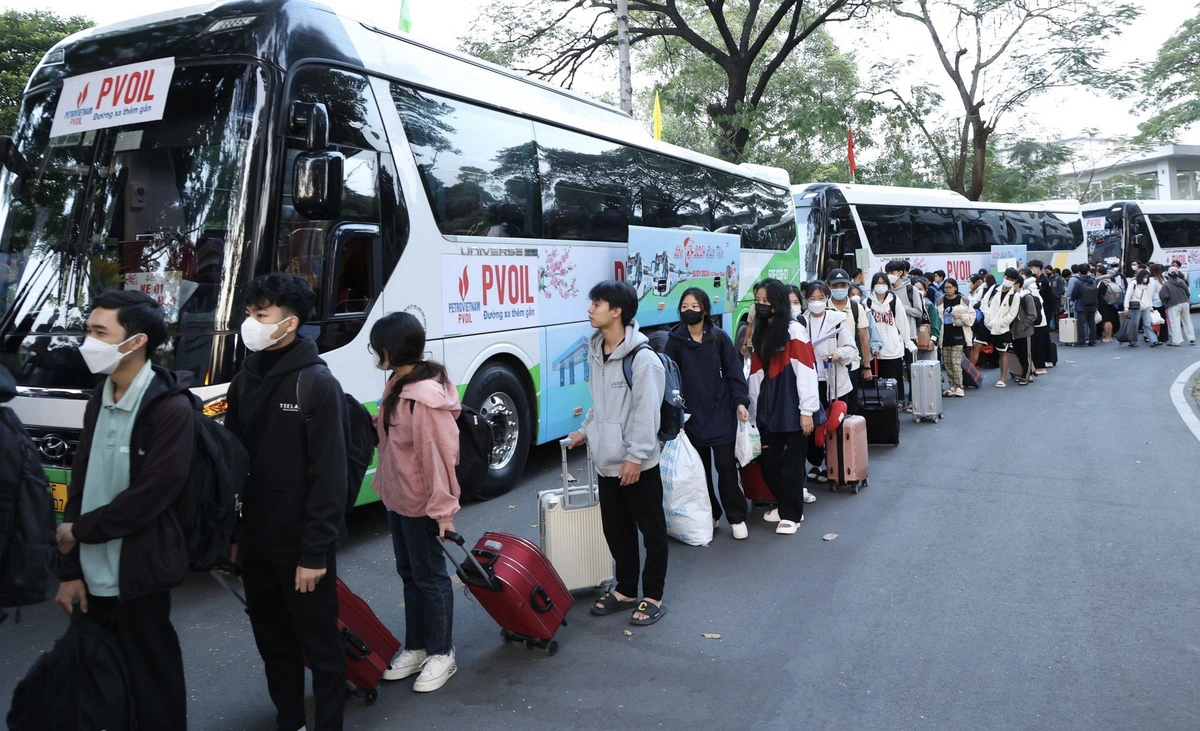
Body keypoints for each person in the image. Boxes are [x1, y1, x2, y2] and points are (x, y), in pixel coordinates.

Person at [53, 290, 191, 729]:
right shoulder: (101, 395)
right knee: (97, 682)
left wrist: (79, 532)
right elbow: (81, 480)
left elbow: (152, 494)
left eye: (99, 332)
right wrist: (69, 569)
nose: (87, 342)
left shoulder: (171, 408)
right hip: (90, 570)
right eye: (88, 330)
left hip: (140, 570)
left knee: (152, 681)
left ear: (135, 342)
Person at [224, 273, 349, 731]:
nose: (250, 323)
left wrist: (315, 552)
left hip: (302, 550)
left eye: (261, 315)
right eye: (249, 313)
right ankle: (289, 720)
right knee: (274, 646)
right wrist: (233, 538)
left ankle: (329, 723)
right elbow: (234, 467)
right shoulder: (243, 381)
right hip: (257, 546)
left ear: (290, 323)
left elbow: (328, 477)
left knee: (320, 647)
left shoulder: (317, 385)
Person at [368, 312, 462, 691]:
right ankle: (418, 646)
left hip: (423, 505)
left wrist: (444, 515)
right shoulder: (399, 384)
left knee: (432, 578)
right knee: (410, 575)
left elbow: (438, 458)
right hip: (397, 499)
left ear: (389, 352)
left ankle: (442, 653)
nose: (375, 354)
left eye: (377, 348)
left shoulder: (423, 398)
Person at [567, 281, 668, 626]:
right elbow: (602, 403)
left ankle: (652, 595)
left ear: (617, 311)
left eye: (597, 302)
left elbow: (646, 411)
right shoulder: (597, 350)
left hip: (637, 463)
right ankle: (626, 590)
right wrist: (583, 431)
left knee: (651, 531)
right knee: (617, 529)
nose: (590, 309)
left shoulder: (643, 359)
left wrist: (636, 457)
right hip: (607, 460)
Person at [664, 288, 751, 539]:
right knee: (698, 471)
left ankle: (736, 516)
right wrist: (674, 415)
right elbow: (669, 381)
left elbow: (734, 373)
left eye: (693, 306)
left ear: (704, 310)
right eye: (684, 306)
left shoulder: (719, 338)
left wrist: (740, 402)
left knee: (726, 467)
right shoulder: (675, 341)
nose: (688, 310)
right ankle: (711, 514)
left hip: (720, 412)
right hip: (691, 417)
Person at [746, 278, 819, 535]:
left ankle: (792, 514)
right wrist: (753, 411)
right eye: (758, 301)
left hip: (791, 404)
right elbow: (754, 374)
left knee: (791, 464)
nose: (761, 305)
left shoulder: (794, 330)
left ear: (777, 302)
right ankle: (784, 503)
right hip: (767, 407)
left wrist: (807, 411)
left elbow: (807, 370)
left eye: (766, 301)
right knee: (769, 462)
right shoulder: (760, 331)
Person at [800, 282, 857, 486]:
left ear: (827, 297)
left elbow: (851, 349)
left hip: (834, 381)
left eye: (820, 297)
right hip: (809, 382)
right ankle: (814, 463)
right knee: (812, 424)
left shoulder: (837, 320)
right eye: (812, 298)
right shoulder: (800, 321)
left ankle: (831, 465)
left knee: (832, 425)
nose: (816, 302)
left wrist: (837, 353)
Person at [827, 268, 877, 412]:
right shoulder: (823, 308)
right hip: (829, 367)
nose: (839, 289)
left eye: (842, 286)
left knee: (851, 408)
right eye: (835, 286)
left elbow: (864, 339)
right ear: (829, 287)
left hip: (852, 365)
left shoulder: (856, 307)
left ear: (848, 286)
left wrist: (867, 367)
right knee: (831, 409)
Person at [866, 272, 913, 406]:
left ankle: (899, 400)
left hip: (893, 347)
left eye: (883, 283)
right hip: (874, 349)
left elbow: (902, 322)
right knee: (877, 377)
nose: (880, 286)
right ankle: (881, 401)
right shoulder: (868, 301)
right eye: (877, 283)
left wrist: (907, 341)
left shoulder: (894, 300)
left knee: (895, 376)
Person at [983, 269, 1022, 387]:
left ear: (1015, 281)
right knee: (976, 345)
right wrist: (987, 316)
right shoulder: (995, 288)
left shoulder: (1015, 295)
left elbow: (1012, 315)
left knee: (1002, 352)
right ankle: (970, 376)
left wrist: (1000, 323)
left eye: (1012, 279)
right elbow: (984, 301)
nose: (1008, 281)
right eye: (1007, 278)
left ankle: (1002, 379)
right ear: (1004, 277)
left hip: (1002, 328)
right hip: (987, 324)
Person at [939, 279, 973, 397]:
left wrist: (961, 316)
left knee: (955, 361)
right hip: (945, 335)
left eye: (950, 287)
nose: (948, 289)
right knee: (947, 363)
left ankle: (959, 386)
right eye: (946, 287)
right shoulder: (940, 301)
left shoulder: (962, 300)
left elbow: (972, 318)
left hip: (959, 335)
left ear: (955, 287)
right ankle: (952, 385)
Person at [1020, 267, 1049, 376]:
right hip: (1040, 319)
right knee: (1038, 343)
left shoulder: (1029, 289)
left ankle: (1039, 366)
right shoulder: (1033, 286)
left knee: (1037, 345)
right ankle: (1038, 366)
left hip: (1036, 320)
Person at [1124, 269, 1160, 347]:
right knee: (1135, 325)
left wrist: (1150, 306)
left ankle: (1154, 340)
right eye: (1145, 277)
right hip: (1136, 307)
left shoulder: (1146, 285)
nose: (1146, 279)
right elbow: (1128, 296)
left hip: (1146, 307)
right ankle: (1133, 341)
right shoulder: (1133, 284)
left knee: (1147, 324)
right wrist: (1126, 308)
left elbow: (1149, 296)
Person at [1065, 264, 1098, 346]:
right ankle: (1092, 340)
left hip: (1082, 306)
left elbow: (1074, 295)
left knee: (1081, 324)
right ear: (1088, 271)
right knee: (1092, 323)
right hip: (1092, 305)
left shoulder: (1078, 282)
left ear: (1079, 272)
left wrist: (1073, 299)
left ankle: (1081, 341)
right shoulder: (1093, 280)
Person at [1162, 267, 1195, 345]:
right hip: (1185, 302)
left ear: (1168, 274)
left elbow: (1164, 296)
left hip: (1173, 304)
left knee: (1175, 322)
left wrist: (1166, 303)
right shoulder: (1181, 282)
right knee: (1187, 321)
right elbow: (1187, 292)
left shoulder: (1166, 284)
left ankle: (1176, 341)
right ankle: (1191, 338)